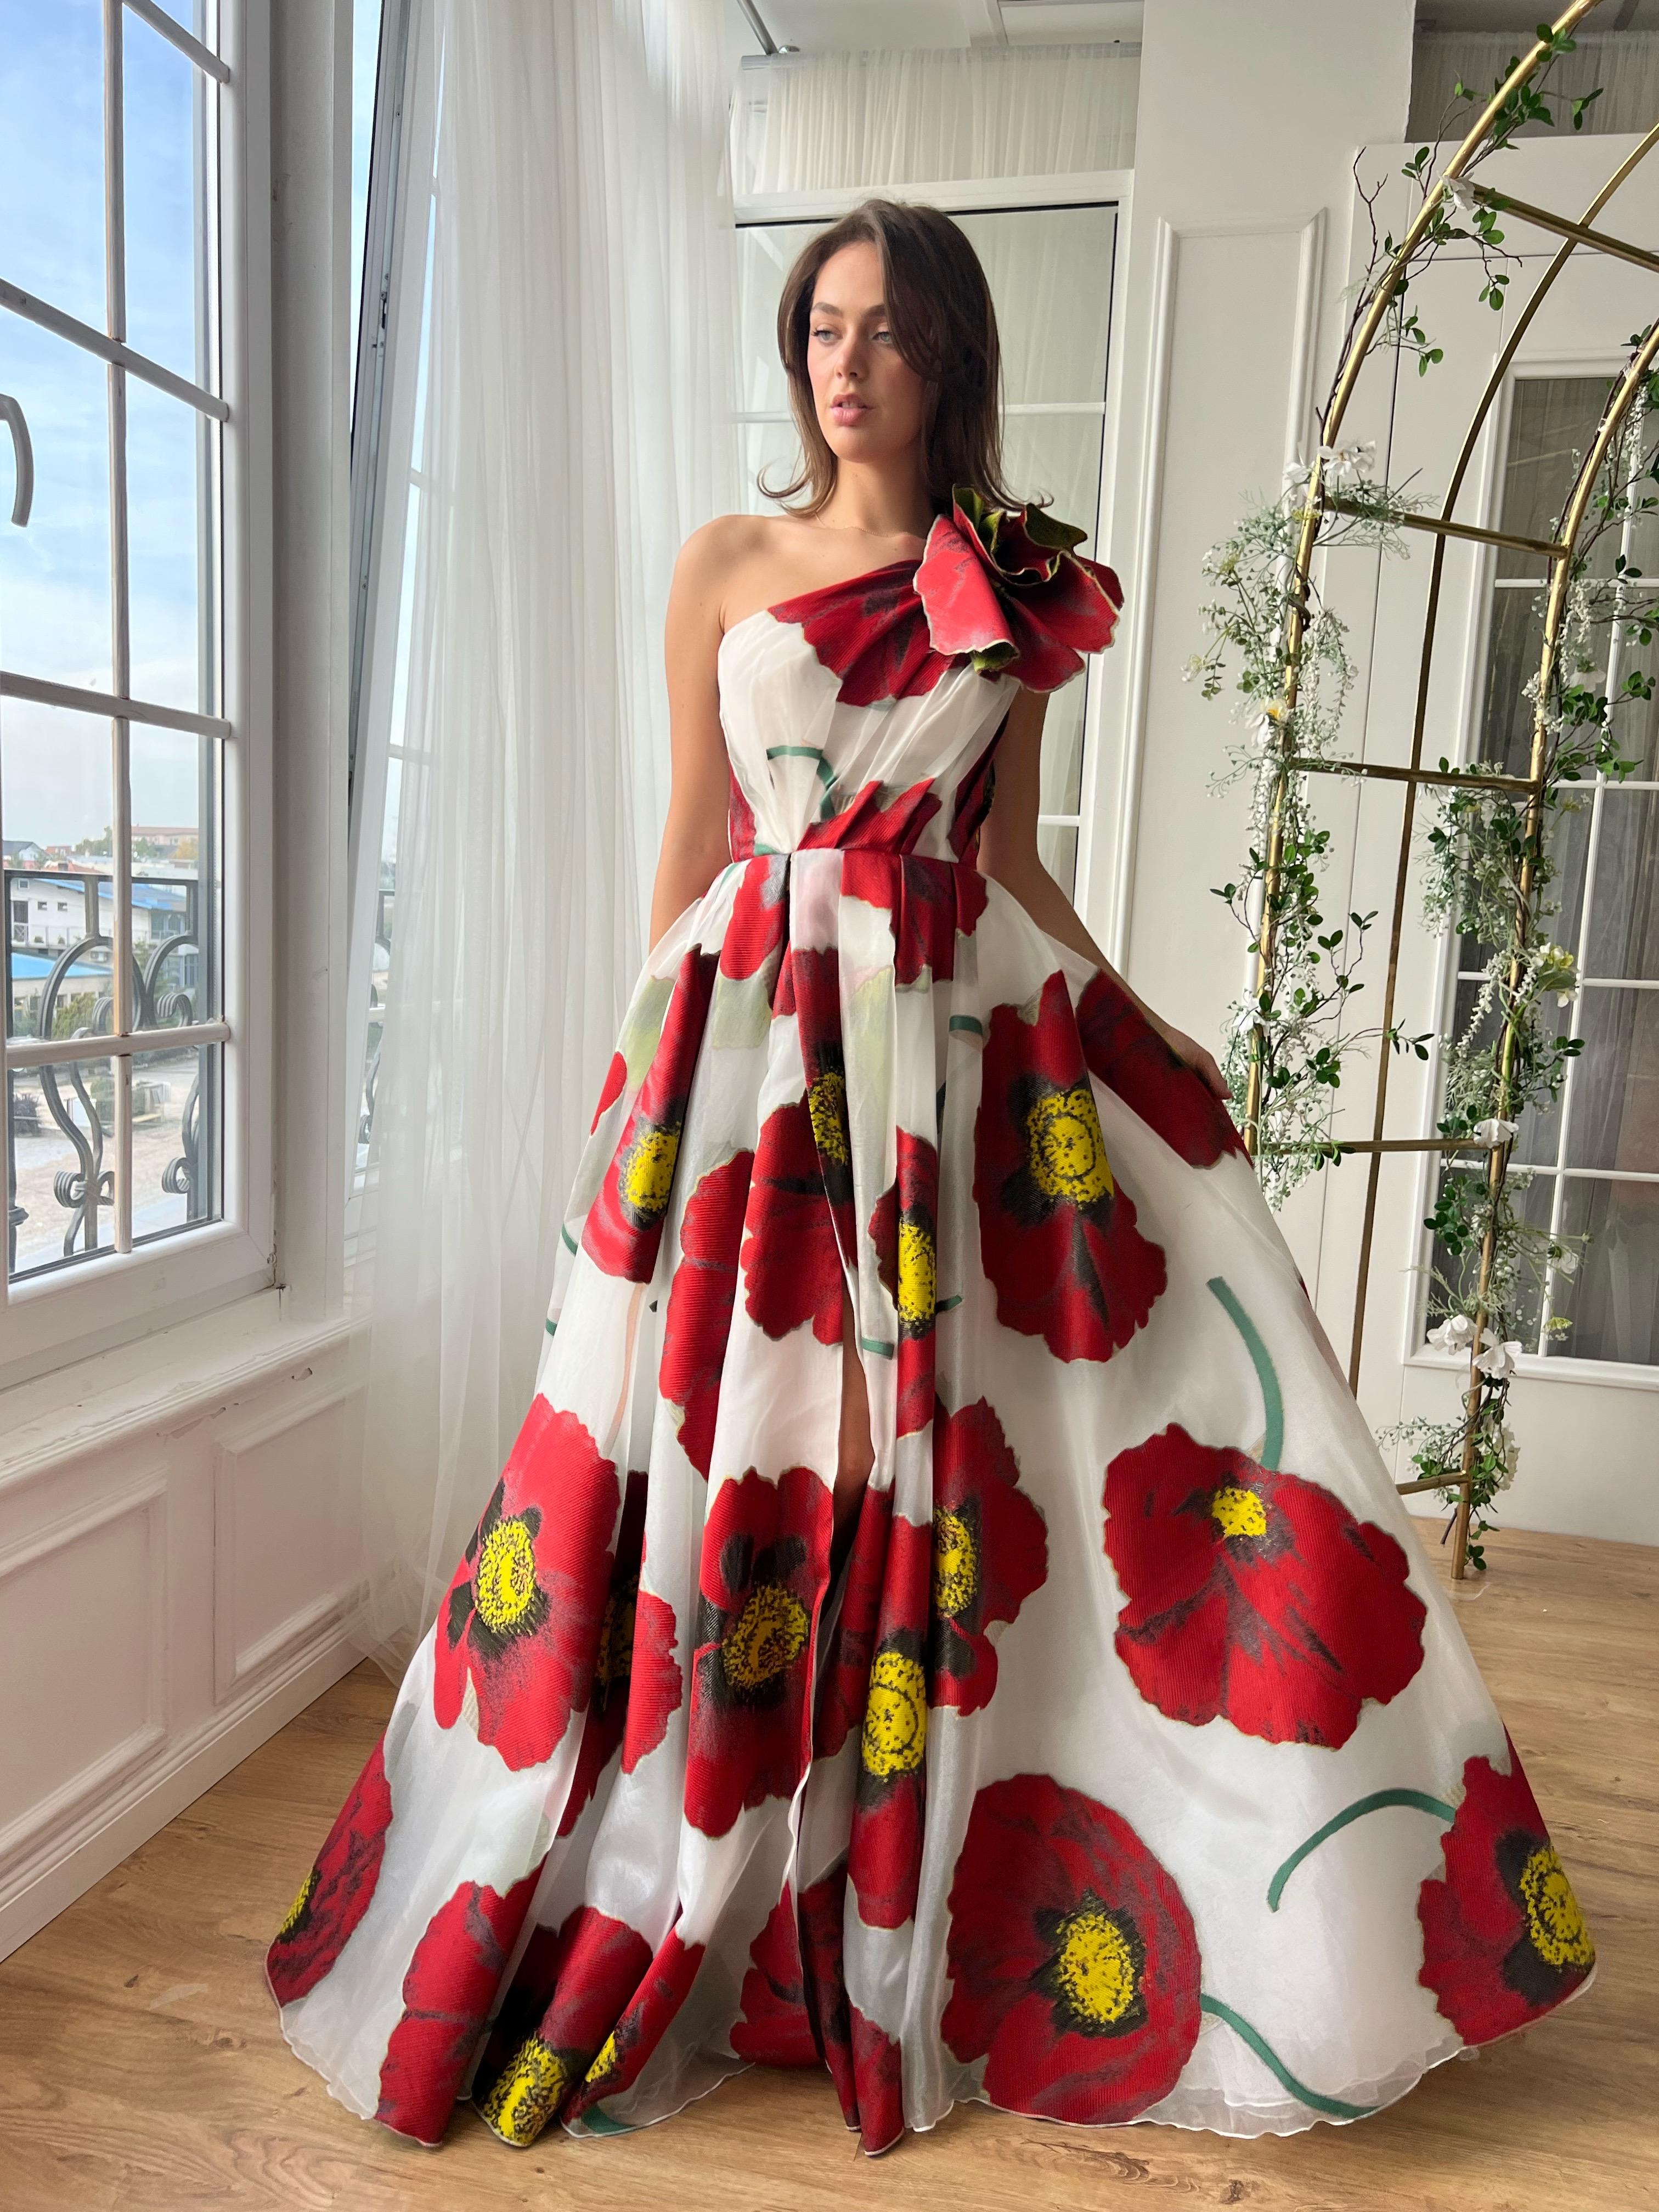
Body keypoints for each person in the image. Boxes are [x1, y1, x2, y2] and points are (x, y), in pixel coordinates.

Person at [266, 199, 1596, 2155]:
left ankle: (921, 1878)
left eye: (887, 328)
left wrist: (1152, 1031)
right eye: (820, 322)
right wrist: (627, 1088)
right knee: (737, 1452)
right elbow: (693, 849)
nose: (845, 358)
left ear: (952, 356)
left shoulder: (1014, 585)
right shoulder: (724, 561)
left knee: (943, 1471)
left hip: (942, 1078)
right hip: (743, 1065)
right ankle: (683, 1852)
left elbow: (1014, 861)